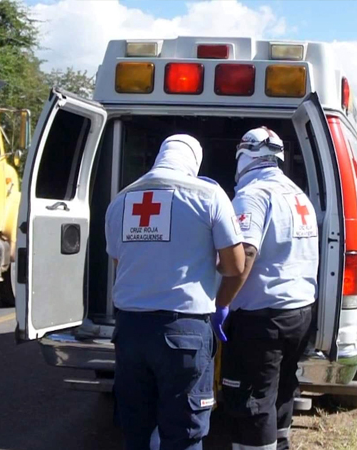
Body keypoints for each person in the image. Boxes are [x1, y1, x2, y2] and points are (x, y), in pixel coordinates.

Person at [105, 134, 245, 450]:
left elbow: (120, 261)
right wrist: (202, 266)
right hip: (185, 332)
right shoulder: (209, 195)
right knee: (183, 433)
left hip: (129, 330)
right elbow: (235, 265)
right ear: (193, 162)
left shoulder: (121, 199)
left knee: (135, 428)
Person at [217, 127, 319, 450]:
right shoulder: (296, 193)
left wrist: (222, 304)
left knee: (253, 403)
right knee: (281, 390)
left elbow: (244, 253)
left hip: (263, 320)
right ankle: (282, 444)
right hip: (300, 313)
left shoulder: (252, 194)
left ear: (244, 156)